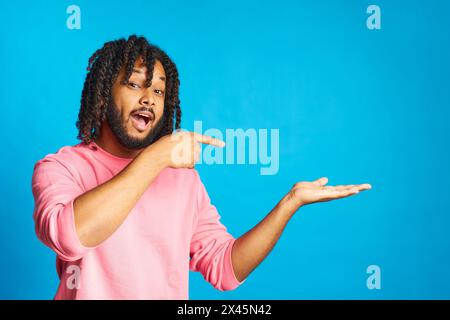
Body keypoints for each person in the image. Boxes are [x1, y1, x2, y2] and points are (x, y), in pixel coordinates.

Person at [31, 35, 371, 299]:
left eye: (160, 91)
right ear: (104, 94)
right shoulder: (62, 167)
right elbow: (70, 237)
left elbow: (225, 268)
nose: (149, 98)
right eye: (135, 84)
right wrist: (156, 157)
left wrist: (289, 204)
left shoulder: (183, 181)